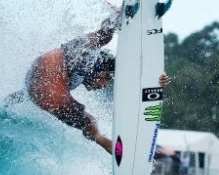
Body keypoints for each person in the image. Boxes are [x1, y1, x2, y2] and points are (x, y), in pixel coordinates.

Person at [24, 10, 169, 154]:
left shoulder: (79, 73)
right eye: (107, 79)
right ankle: (103, 141)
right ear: (103, 71)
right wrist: (152, 74)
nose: (104, 85)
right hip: (50, 72)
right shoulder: (91, 57)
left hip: (41, 86)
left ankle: (104, 142)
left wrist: (153, 78)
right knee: (102, 38)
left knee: (88, 122)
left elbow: (35, 86)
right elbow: (125, 64)